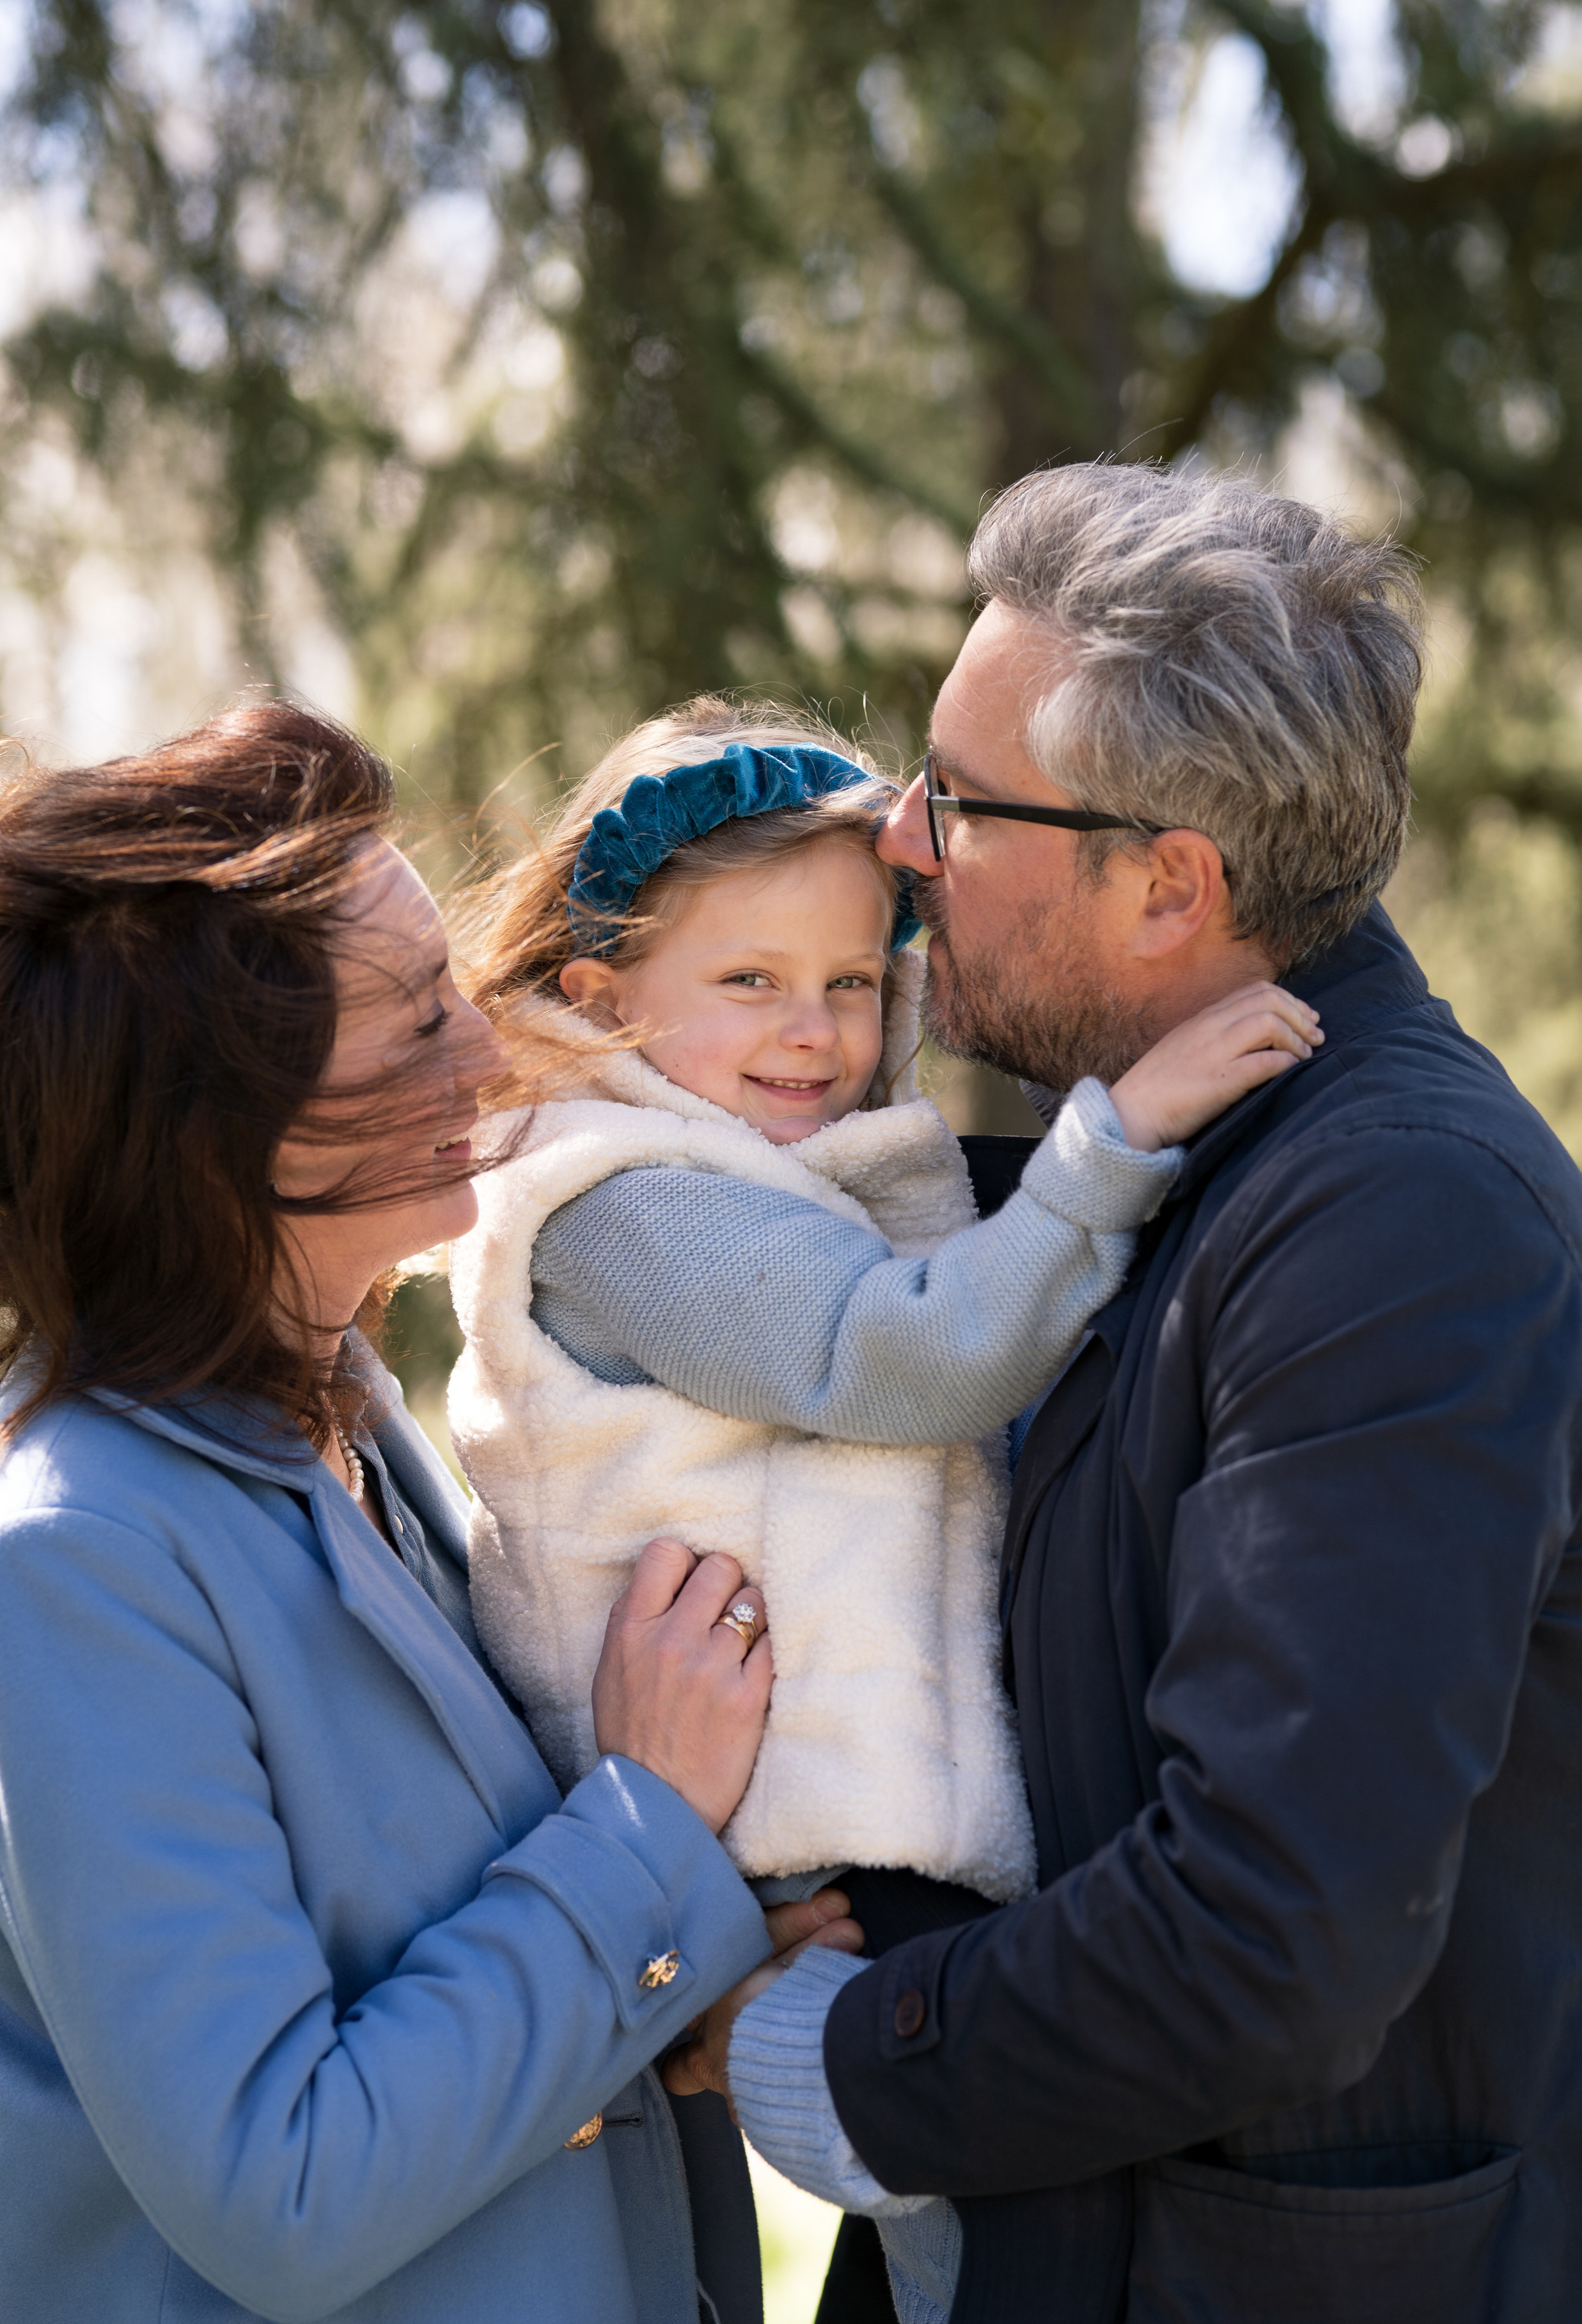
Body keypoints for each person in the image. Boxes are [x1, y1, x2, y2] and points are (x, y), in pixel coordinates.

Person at [668, 462, 1582, 2324]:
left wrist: (820, 2046)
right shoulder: (1137, 1149)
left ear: (1172, 884)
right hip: (1051, 2269)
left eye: (963, 799)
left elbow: (1274, 1924)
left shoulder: (1406, 1222)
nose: (901, 839)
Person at [0, 702, 856, 2324]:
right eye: (418, 1024)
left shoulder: (343, 1407)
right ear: (227, 1139)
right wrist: (648, 1830)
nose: (496, 1058)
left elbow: (445, 1940)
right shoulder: (73, 1556)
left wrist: (696, 1960)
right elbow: (283, 2186)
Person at [448, 700, 1319, 1916]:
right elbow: (898, 1353)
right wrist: (1116, 1134)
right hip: (767, 1849)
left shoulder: (768, 1170)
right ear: (601, 1001)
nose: (812, 1031)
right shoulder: (617, 1200)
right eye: (750, 979)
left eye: (851, 980)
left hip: (849, 1824)